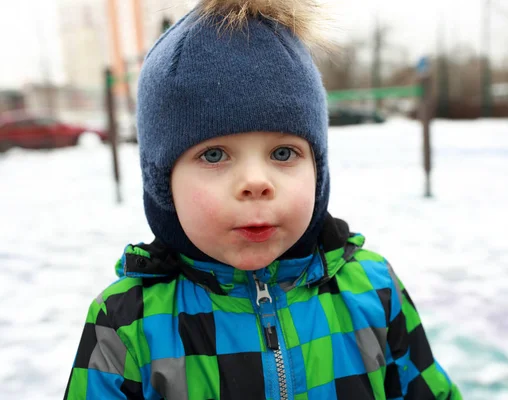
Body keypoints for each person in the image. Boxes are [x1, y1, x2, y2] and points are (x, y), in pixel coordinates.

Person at [64, 0, 462, 399]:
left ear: (318, 170)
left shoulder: (373, 291)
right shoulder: (126, 325)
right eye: (214, 155)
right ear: (162, 182)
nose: (256, 183)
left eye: (283, 153)